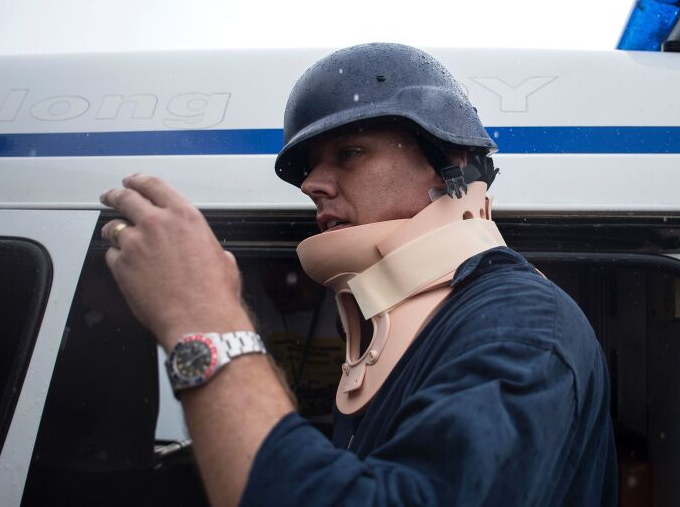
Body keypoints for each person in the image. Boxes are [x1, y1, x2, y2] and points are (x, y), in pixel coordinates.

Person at [100, 43, 617, 506]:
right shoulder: (413, 321)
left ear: (448, 160)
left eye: (349, 153)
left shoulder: (521, 322)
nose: (313, 185)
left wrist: (203, 319)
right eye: (309, 167)